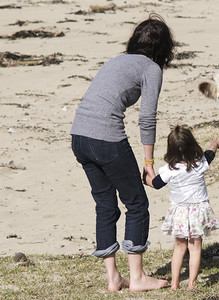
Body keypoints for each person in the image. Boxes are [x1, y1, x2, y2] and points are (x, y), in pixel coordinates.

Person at [70, 13, 175, 292]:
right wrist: (149, 163)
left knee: (105, 204)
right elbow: (147, 118)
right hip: (105, 138)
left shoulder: (117, 60)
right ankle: (138, 278)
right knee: (137, 202)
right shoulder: (152, 69)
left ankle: (113, 278)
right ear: (164, 48)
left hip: (79, 136)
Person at [145, 125, 219, 290]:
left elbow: (156, 184)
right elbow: (210, 153)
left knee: (179, 248)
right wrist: (214, 144)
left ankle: (174, 284)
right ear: (193, 145)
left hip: (179, 212)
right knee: (195, 249)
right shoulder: (200, 163)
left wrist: (145, 177)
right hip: (197, 211)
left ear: (170, 149)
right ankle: (192, 284)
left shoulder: (169, 170)